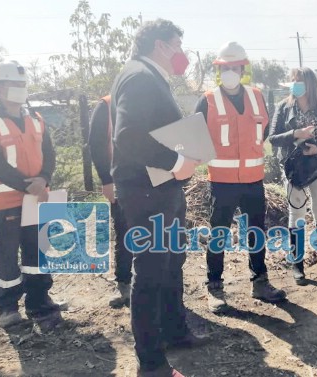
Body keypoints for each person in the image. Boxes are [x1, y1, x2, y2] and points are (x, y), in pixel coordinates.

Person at [110, 19, 205, 377]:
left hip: (160, 186)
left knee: (170, 262)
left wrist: (187, 150)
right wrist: (178, 160)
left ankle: (175, 331)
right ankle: (151, 363)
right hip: (147, 187)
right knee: (150, 271)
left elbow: (152, 128)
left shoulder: (146, 75)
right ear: (159, 45)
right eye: (177, 45)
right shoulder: (139, 77)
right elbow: (128, 136)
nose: (181, 53)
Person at [195, 41, 286, 314]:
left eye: (235, 67)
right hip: (221, 181)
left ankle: (260, 281)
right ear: (219, 70)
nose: (231, 71)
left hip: (252, 179)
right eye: (226, 68)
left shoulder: (257, 96)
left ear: (243, 69)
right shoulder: (208, 100)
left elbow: (264, 130)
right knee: (219, 233)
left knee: (256, 232)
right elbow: (195, 137)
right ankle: (214, 287)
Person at [0, 60, 62, 331]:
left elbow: (49, 154)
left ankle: (39, 301)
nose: (21, 89)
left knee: (37, 250)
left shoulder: (36, 119)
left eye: (23, 85)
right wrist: (30, 186)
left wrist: (44, 179)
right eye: (15, 84)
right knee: (7, 254)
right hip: (6, 201)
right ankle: (8, 307)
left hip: (37, 197)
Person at [269, 67, 317, 285]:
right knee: (296, 212)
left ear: (310, 83)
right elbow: (272, 138)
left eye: (299, 80)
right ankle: (297, 264)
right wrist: (294, 134)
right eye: (292, 81)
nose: (295, 84)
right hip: (293, 167)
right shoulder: (283, 107)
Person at [88, 95, 132, 308]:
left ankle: (152, 284)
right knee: (125, 233)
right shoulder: (106, 106)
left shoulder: (149, 101)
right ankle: (124, 284)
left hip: (150, 180)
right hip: (120, 182)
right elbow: (96, 145)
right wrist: (106, 180)